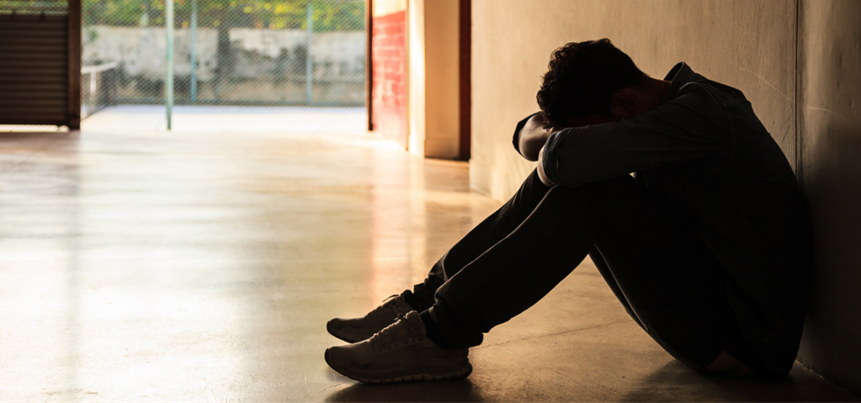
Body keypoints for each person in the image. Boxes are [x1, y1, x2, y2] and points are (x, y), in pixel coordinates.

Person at [324, 39, 813, 385]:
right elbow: (528, 133)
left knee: (592, 189)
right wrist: (555, 141)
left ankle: (439, 335)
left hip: (749, 342)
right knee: (579, 176)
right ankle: (425, 305)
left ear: (623, 104)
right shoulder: (656, 108)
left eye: (589, 130)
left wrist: (558, 145)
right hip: (712, 313)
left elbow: (559, 155)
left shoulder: (703, 117)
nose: (589, 140)